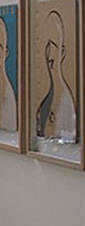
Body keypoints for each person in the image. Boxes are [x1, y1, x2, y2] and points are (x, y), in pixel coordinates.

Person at [36, 8, 78, 141]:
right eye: (47, 45)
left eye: (54, 44)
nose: (49, 51)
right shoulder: (44, 103)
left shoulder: (66, 101)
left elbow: (68, 137)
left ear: (63, 52)